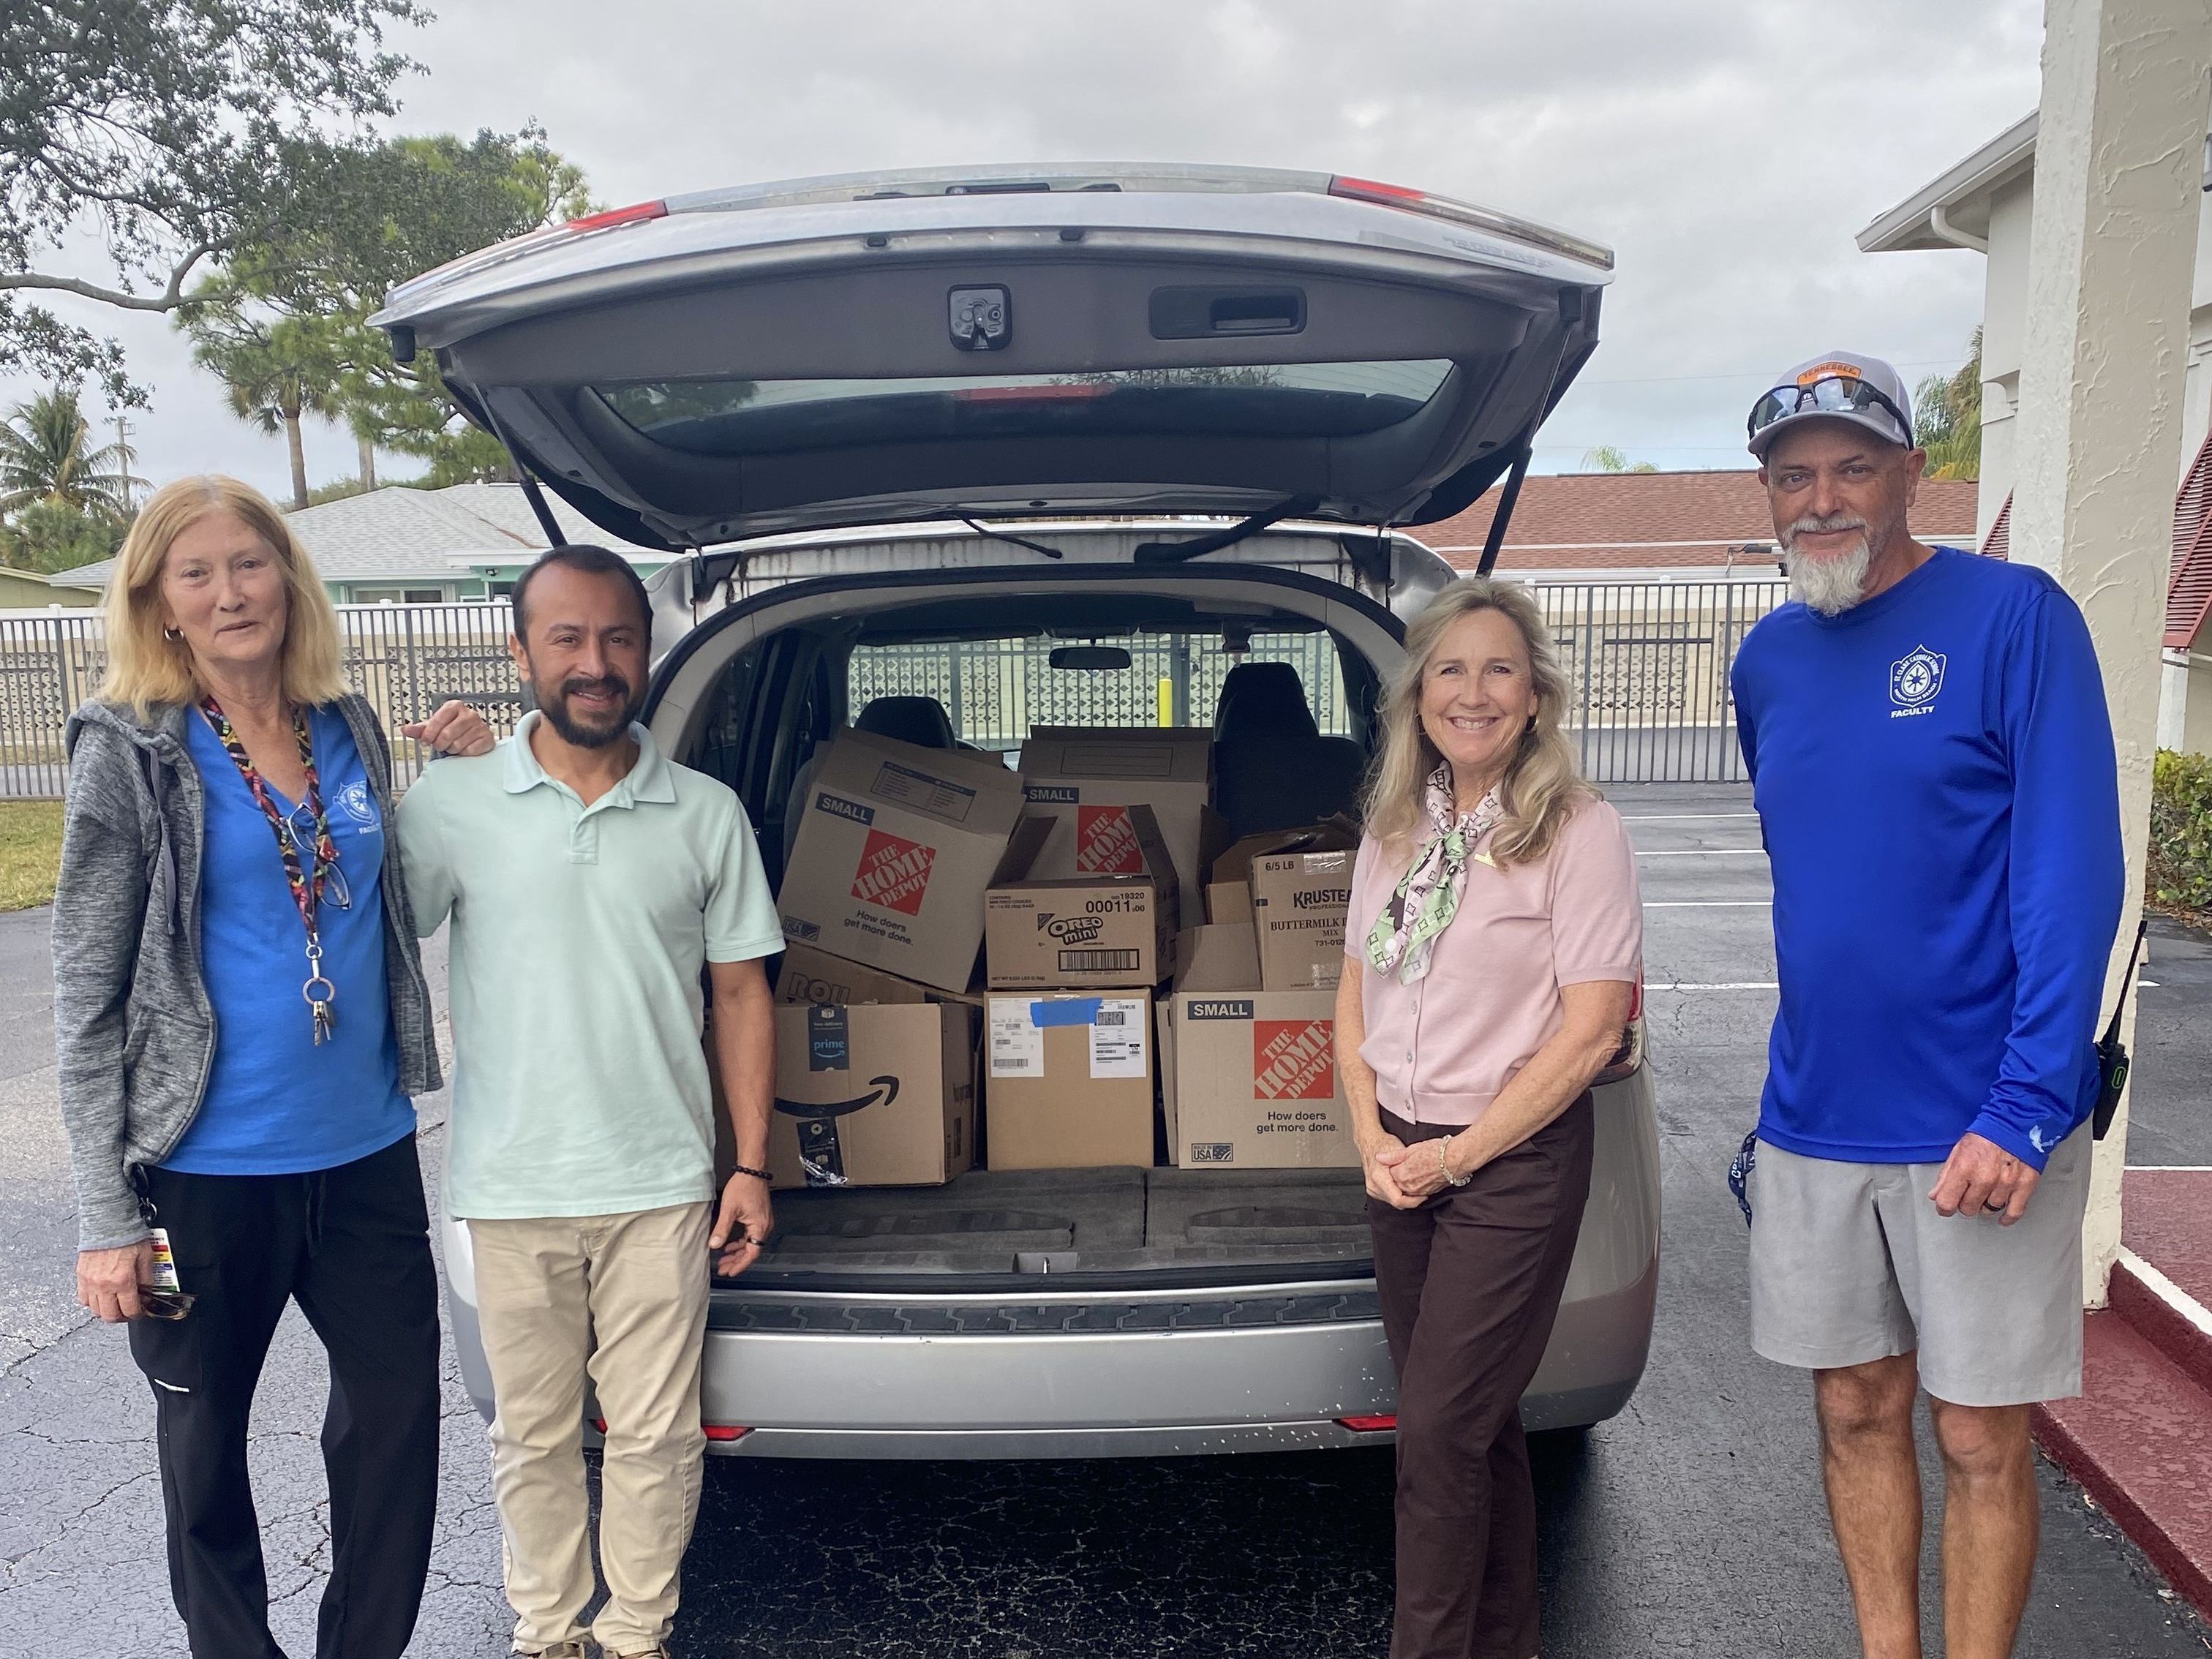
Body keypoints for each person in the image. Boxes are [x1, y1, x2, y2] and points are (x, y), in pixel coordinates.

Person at [52, 475, 494, 1659]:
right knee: (204, 1449)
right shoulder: (129, 753)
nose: (230, 591)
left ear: (288, 582)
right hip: (200, 1169)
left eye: (249, 563)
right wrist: (105, 1214)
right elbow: (86, 998)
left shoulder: (344, 728)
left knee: (396, 1421)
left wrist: (476, 765)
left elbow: (390, 897)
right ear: (160, 605)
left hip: (362, 1151)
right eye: (195, 573)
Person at [1733, 353, 2125, 1659]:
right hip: (1817, 1116)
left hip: (1982, 1121)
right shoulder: (1768, 662)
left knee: (1978, 1431)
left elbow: (2071, 877)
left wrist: (2025, 1109)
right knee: (1853, 1406)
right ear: (1771, 497)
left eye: (1853, 468)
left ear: (1911, 474)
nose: (1823, 498)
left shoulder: (2016, 619)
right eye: (1795, 476)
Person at [397, 544, 781, 1659]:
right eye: (566, 638)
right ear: (521, 654)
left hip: (660, 1177)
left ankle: (634, 1632)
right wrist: (416, 768)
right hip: (511, 1181)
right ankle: (544, 1633)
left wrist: (748, 1163)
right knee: (532, 1436)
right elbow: (368, 919)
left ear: (647, 653)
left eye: (617, 637)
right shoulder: (453, 804)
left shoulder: (705, 814)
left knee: (657, 1435)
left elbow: (743, 991)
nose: (595, 663)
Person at [1337, 576, 1643, 1659]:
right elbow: (1351, 996)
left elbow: (1592, 1028)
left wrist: (1457, 1155)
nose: (1473, 692)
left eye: (1499, 668)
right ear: (1418, 697)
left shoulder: (1577, 829)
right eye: (1450, 670)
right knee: (1479, 1428)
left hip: (1506, 1162)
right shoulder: (1394, 827)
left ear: (1535, 694)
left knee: (1436, 1436)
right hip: (1400, 1160)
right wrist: (1374, 1139)